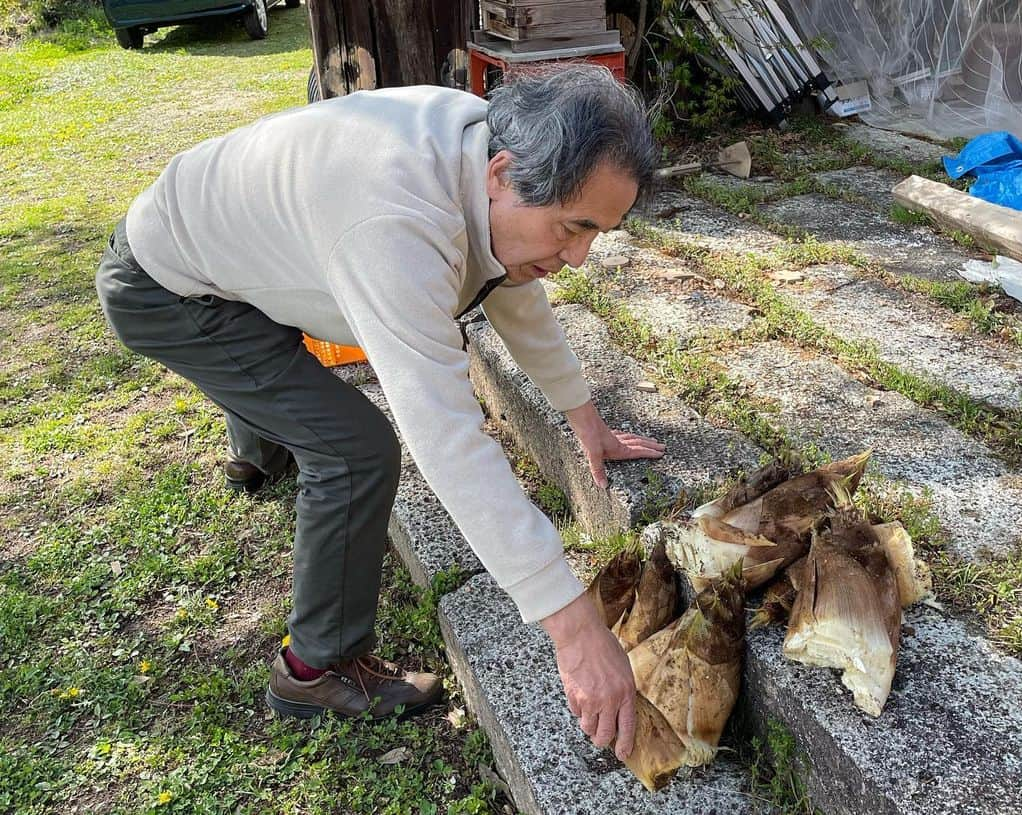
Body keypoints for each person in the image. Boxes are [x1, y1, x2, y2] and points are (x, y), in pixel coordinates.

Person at [95, 65, 664, 762]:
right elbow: (447, 436)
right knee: (355, 449)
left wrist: (584, 417)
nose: (578, 256)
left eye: (597, 234)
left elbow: (511, 286)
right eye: (574, 228)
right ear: (503, 175)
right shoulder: (396, 219)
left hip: (224, 244)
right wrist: (574, 629)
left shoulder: (482, 152)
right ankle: (314, 669)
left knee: (288, 384)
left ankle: (258, 449)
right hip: (165, 286)